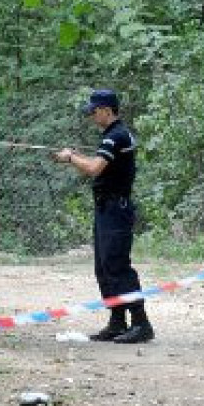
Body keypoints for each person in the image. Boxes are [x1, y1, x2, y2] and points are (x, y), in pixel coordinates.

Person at [53, 89, 154, 344]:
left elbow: (94, 168)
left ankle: (141, 323)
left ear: (107, 110)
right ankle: (118, 322)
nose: (91, 116)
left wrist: (70, 158)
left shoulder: (115, 136)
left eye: (94, 111)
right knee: (104, 267)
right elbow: (100, 162)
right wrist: (75, 156)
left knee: (117, 266)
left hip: (115, 210)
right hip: (107, 209)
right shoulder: (114, 135)